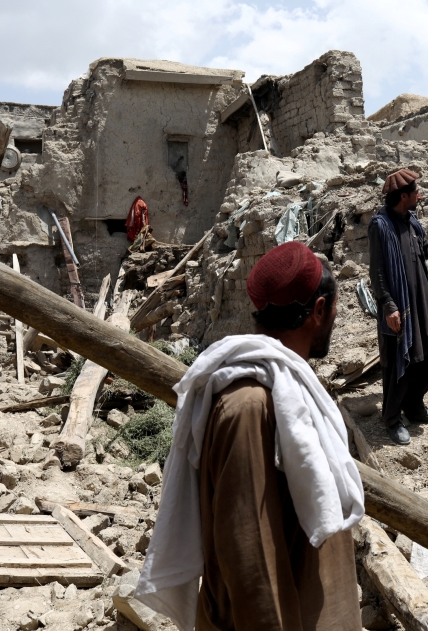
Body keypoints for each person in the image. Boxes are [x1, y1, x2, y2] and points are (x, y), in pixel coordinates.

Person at [135, 241, 366, 631]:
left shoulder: (286, 389)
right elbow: (250, 551)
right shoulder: (248, 405)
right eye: (335, 310)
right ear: (320, 311)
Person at [368, 169, 428, 445]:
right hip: (398, 306)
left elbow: (424, 251)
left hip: (420, 301)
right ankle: (392, 419)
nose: (420, 196)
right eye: (416, 192)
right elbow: (376, 272)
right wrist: (388, 306)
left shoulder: (411, 221)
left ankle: (414, 407)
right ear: (403, 196)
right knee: (398, 361)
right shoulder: (381, 226)